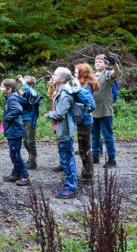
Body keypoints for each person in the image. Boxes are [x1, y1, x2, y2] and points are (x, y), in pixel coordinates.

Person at [44, 67, 77, 199]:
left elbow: (60, 113)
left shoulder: (64, 93)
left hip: (65, 130)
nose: (53, 75)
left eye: (56, 74)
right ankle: (70, 184)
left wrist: (48, 115)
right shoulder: (59, 89)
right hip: (62, 129)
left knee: (67, 159)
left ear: (63, 79)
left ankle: (71, 188)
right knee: (66, 158)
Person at [92, 54, 121, 168]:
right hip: (93, 111)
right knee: (94, 135)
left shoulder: (108, 75)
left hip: (105, 112)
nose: (97, 63)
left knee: (108, 136)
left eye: (100, 61)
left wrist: (115, 64)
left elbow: (116, 73)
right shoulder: (92, 75)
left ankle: (112, 159)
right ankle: (95, 156)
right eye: (96, 61)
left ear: (106, 64)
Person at [1, 78, 29, 186]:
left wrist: (7, 117)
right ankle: (16, 174)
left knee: (15, 154)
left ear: (9, 89)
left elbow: (18, 110)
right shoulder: (10, 97)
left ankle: (25, 176)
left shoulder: (12, 99)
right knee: (14, 153)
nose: (0, 88)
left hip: (15, 131)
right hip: (13, 130)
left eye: (2, 87)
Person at [74, 64, 100, 184]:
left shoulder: (85, 88)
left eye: (76, 73)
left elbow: (91, 106)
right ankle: (86, 173)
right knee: (83, 148)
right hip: (82, 121)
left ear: (82, 73)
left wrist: (81, 115)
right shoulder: (81, 85)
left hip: (85, 122)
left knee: (84, 149)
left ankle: (88, 176)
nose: (74, 75)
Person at [17, 75, 41, 170]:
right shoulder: (26, 93)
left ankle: (33, 161)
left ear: (30, 85)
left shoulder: (33, 93)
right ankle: (30, 157)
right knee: (25, 141)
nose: (23, 86)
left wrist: (22, 81)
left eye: (25, 84)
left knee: (31, 141)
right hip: (23, 119)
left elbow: (28, 92)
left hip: (30, 119)